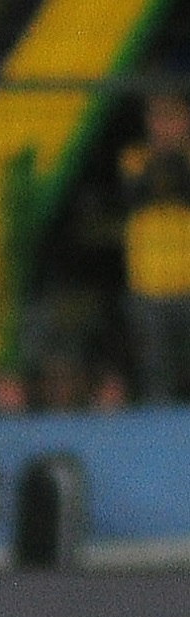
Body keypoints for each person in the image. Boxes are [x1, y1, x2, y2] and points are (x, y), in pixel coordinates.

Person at [118, 90, 190, 403]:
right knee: (156, 376)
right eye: (159, 118)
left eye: (173, 118)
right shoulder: (133, 157)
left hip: (188, 285)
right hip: (148, 288)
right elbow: (140, 190)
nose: (165, 126)